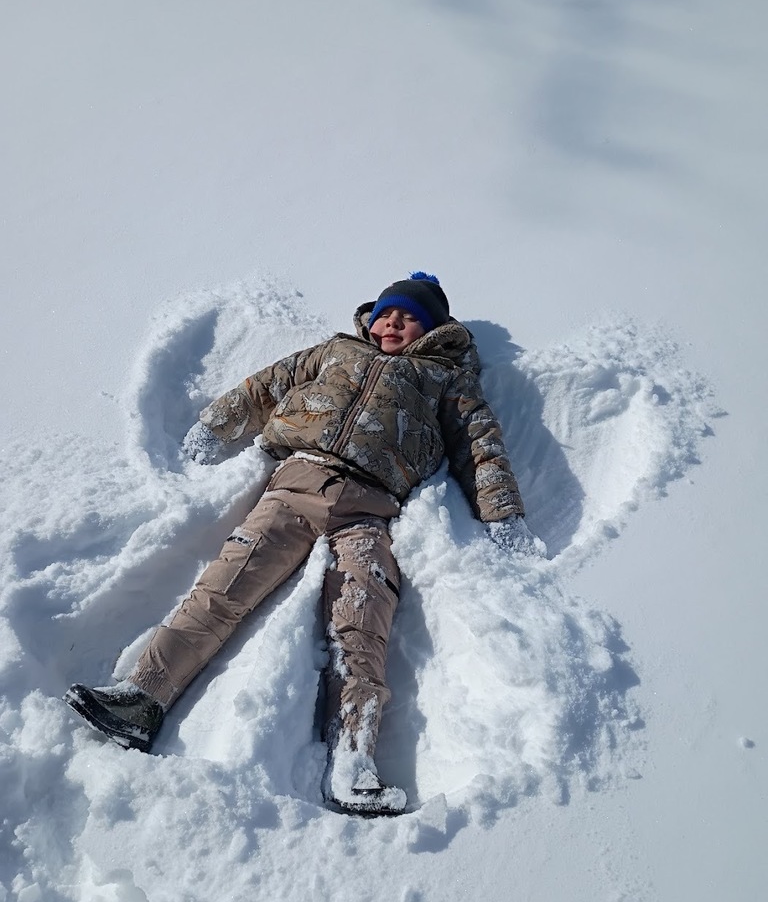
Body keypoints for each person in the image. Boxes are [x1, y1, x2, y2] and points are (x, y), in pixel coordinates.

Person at [64, 272, 542, 816]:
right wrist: (218, 424)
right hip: (296, 486)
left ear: (432, 330)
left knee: (362, 622)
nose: (392, 323)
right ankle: (143, 695)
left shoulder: (445, 380)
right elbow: (268, 384)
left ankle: (353, 760)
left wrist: (503, 515)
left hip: (370, 510)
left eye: (408, 317)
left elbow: (481, 448)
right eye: (386, 313)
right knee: (224, 586)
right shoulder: (337, 351)